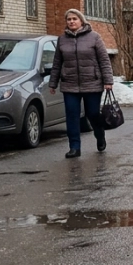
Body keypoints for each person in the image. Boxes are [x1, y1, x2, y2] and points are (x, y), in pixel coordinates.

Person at [50, 9, 114, 158]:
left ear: (81, 21)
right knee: (72, 116)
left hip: (92, 83)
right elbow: (57, 63)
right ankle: (74, 147)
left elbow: (104, 60)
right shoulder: (62, 39)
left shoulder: (94, 37)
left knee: (92, 114)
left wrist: (108, 81)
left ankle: (100, 135)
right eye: (69, 19)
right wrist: (53, 83)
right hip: (70, 84)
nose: (71, 21)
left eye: (74, 19)